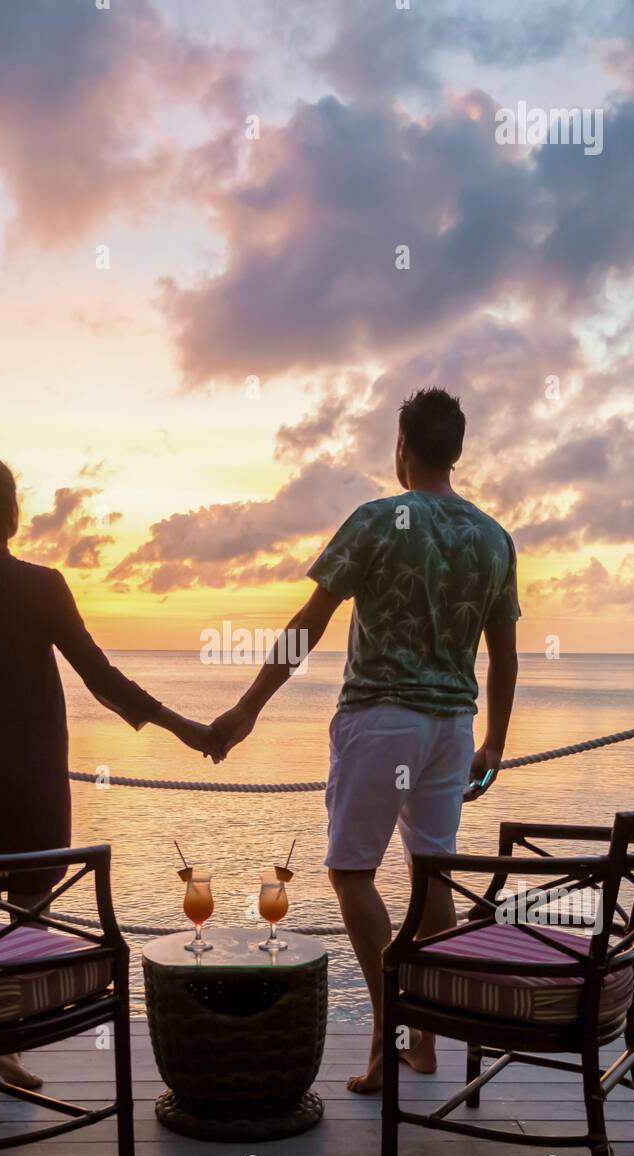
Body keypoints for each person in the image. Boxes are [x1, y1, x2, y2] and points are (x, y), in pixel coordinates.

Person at [211, 389, 520, 1091]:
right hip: (452, 728)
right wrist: (495, 742)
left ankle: (391, 1033)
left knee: (352, 874)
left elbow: (308, 622)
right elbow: (503, 656)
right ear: (458, 451)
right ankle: (427, 1041)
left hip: (381, 719)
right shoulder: (492, 537)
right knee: (431, 873)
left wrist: (250, 705)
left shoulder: (380, 521)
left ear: (403, 447)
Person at [0, 456, 219, 1089]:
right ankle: (4, 1037)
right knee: (26, 918)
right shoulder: (42, 586)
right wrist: (186, 728)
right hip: (33, 782)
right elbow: (100, 678)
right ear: (12, 514)